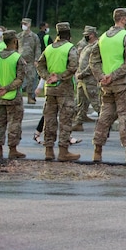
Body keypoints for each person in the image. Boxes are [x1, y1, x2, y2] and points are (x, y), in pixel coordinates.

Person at [89, 8, 126, 164]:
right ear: (123, 19)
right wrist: (113, 75)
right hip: (122, 84)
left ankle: (97, 151)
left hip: (107, 86)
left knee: (104, 117)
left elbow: (93, 61)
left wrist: (102, 77)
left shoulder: (103, 38)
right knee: (125, 117)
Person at [36, 22, 80, 162]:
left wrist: (47, 76)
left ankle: (49, 150)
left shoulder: (49, 48)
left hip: (50, 89)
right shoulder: (70, 48)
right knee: (65, 120)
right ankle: (63, 151)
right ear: (69, 35)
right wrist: (60, 76)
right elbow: (73, 66)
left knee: (49, 120)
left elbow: (39, 64)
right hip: (64, 89)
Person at [0, 29, 26, 160]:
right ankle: (13, 149)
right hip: (13, 97)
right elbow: (20, 78)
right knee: (14, 123)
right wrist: (8, 88)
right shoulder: (17, 58)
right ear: (15, 41)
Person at [72, 26, 100, 130]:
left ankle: (105, 124)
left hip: (89, 79)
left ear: (92, 35)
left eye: (87, 35)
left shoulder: (96, 46)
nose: (85, 37)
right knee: (81, 102)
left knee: (96, 103)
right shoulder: (88, 46)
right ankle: (79, 122)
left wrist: (83, 73)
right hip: (81, 79)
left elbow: (93, 63)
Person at [17, 18, 41, 104]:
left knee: (31, 79)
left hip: (30, 61)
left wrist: (36, 60)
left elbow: (37, 48)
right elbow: (16, 48)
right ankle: (18, 97)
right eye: (23, 24)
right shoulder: (19, 36)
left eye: (25, 24)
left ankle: (30, 97)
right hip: (20, 61)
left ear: (29, 24)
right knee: (19, 79)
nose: (24, 25)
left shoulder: (34, 36)